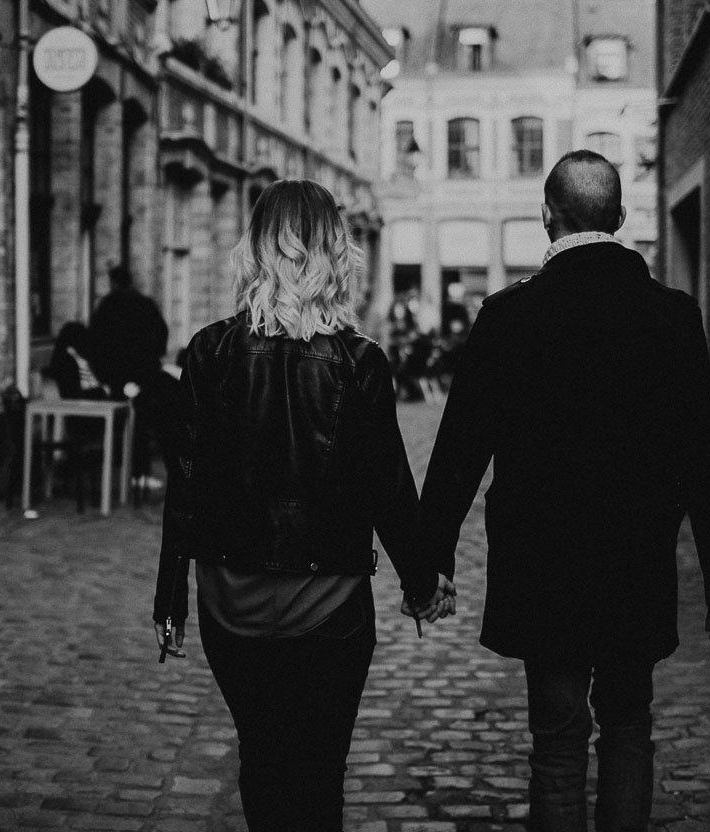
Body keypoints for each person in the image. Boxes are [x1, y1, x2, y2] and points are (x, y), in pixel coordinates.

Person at [414, 150, 710, 832]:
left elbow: (459, 451)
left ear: (546, 217)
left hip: (545, 569)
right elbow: (707, 459)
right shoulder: (671, 317)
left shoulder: (509, 317)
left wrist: (430, 564)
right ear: (621, 219)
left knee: (558, 741)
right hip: (635, 564)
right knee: (629, 727)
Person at [152, 179, 453, 831]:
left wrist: (169, 600)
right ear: (333, 253)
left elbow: (186, 488)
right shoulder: (358, 360)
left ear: (257, 251)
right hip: (328, 611)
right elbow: (390, 488)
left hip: (231, 608)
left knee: (262, 762)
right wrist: (424, 582)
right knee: (318, 774)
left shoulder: (207, 351)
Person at [88, 264, 179, 484]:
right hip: (146, 372)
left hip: (118, 375)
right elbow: (161, 335)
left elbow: (96, 344)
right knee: (147, 421)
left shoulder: (106, 306)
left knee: (128, 422)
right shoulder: (145, 304)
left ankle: (129, 471)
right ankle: (142, 473)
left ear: (112, 282)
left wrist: (105, 376)